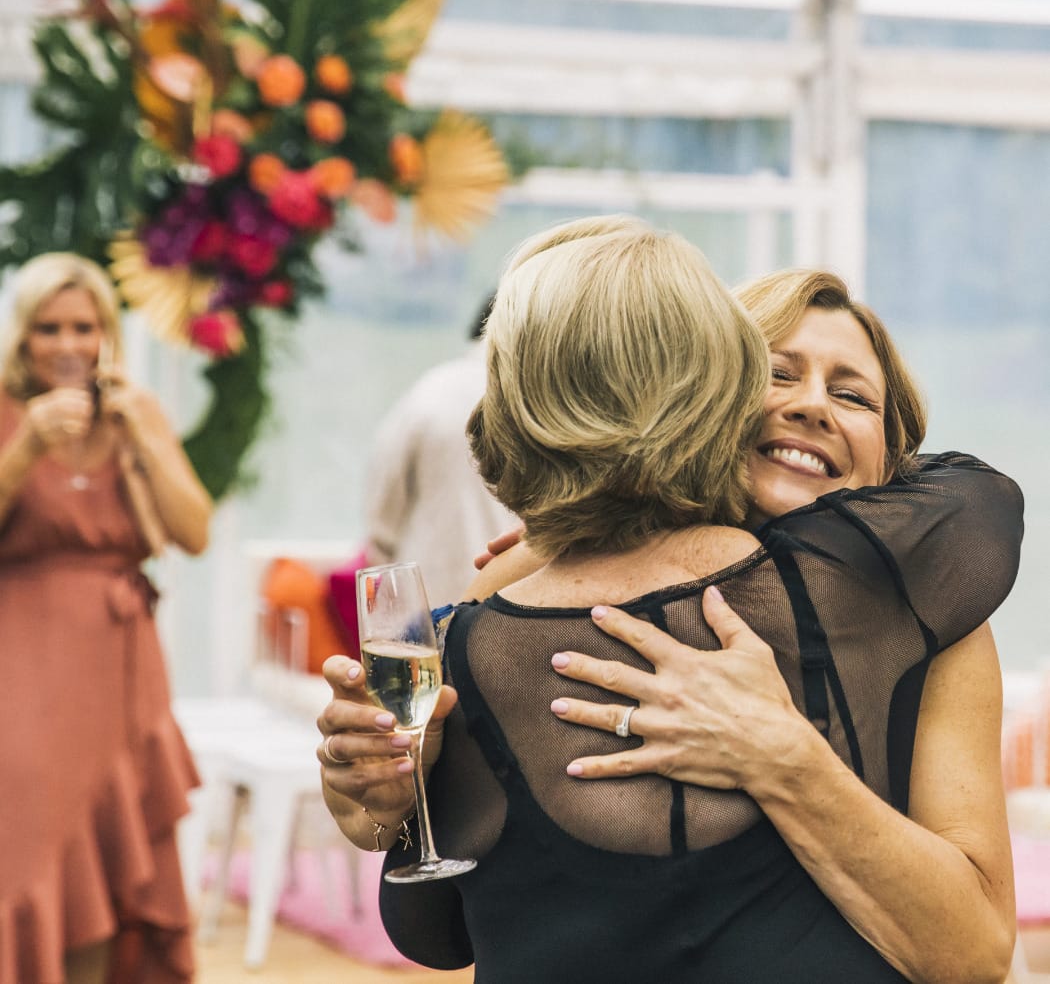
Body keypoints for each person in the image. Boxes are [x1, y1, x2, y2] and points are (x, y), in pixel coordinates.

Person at [316, 223, 1023, 982]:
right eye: (777, 374)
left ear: (893, 455)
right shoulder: (501, 611)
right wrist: (382, 804)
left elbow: (975, 954)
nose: (814, 406)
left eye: (852, 394)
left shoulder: (923, 614)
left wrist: (785, 760)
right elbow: (431, 915)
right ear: (704, 396)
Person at [0, 253, 212, 984]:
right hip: (23, 665)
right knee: (31, 853)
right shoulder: (4, 410)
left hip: (123, 669)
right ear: (22, 338)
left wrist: (144, 437)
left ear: (107, 334)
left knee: (112, 858)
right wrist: (27, 445)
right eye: (47, 329)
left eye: (83, 328)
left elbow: (194, 532)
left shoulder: (136, 411)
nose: (66, 344)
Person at [362, 292, 516, 606]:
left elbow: (381, 512)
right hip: (514, 607)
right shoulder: (547, 404)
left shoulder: (431, 391)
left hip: (426, 601)